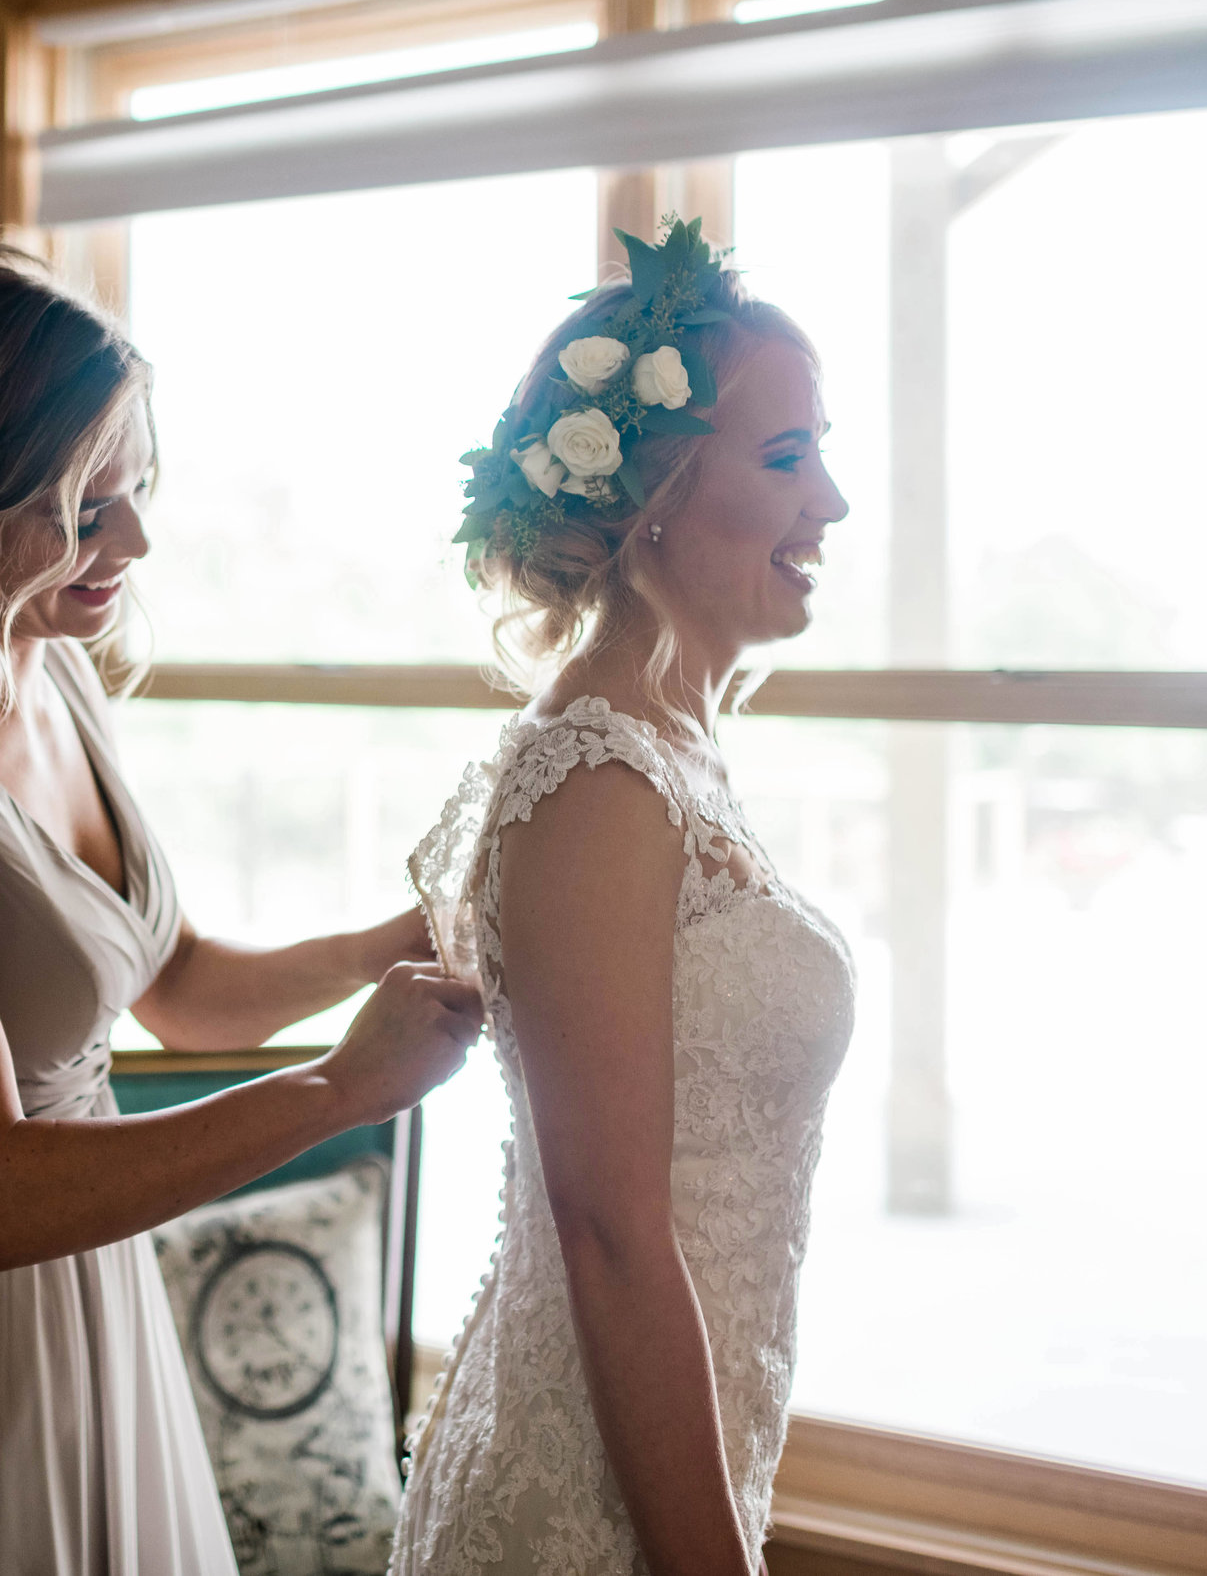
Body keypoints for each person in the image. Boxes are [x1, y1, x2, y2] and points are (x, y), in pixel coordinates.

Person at [0, 240, 483, 1576]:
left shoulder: (46, 669)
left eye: (134, 493)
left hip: (91, 1289)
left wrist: (394, 944)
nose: (132, 540)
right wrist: (336, 1094)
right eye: (85, 508)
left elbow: (174, 987)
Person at [394, 220, 857, 1576]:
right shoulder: (594, 776)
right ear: (650, 491)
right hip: (584, 1505)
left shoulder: (674, 749)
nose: (829, 502)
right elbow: (609, 1231)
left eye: (824, 452)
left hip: (681, 1451)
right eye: (787, 460)